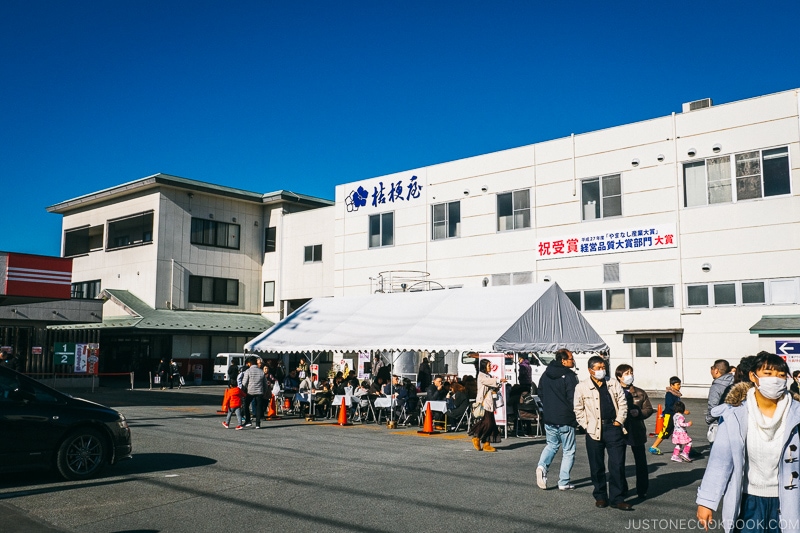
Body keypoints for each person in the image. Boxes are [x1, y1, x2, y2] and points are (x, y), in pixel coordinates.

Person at [696, 352, 800, 532]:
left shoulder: (796, 414)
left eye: (781, 375)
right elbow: (720, 461)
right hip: (748, 500)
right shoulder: (734, 414)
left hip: (789, 499)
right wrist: (706, 501)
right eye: (768, 374)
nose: (775, 380)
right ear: (753, 376)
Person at [573, 355, 631, 510]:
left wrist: (619, 420)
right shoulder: (582, 386)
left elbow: (623, 403)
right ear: (590, 370)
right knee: (596, 465)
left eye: (603, 367)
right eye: (598, 368)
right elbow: (578, 409)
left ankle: (617, 498)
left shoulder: (612, 383)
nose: (601, 371)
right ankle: (600, 496)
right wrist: (586, 425)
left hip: (614, 427)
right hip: (593, 430)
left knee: (617, 464)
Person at [536, 349, 579, 491]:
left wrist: (548, 405)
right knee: (568, 450)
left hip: (549, 417)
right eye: (571, 358)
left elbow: (540, 392)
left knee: (551, 445)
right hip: (566, 417)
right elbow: (574, 398)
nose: (573, 361)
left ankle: (542, 466)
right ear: (563, 360)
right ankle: (564, 481)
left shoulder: (546, 373)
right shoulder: (569, 376)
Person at [615, 363, 653, 499]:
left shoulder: (640, 392)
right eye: (626, 373)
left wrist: (639, 412)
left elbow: (648, 409)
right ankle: (622, 488)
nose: (630, 376)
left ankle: (642, 489)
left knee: (641, 461)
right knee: (619, 461)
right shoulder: (614, 391)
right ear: (619, 377)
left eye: (631, 372)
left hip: (637, 429)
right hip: (620, 429)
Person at [468, 358, 506, 452]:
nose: (490, 367)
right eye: (489, 365)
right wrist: (498, 380)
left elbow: (492, 385)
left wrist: (498, 385)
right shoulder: (481, 375)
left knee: (491, 423)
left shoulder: (488, 375)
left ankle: (486, 444)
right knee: (487, 422)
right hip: (484, 402)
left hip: (489, 402)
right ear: (484, 366)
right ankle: (476, 436)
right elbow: (487, 382)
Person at [650, 376, 684, 455]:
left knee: (681, 431)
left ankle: (688, 448)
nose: (679, 386)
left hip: (675, 416)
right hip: (669, 416)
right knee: (665, 431)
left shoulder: (676, 394)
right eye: (677, 384)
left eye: (680, 384)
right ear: (672, 385)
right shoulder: (669, 394)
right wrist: (680, 410)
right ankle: (654, 446)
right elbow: (669, 405)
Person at [706, 359, 733, 444]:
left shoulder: (716, 387)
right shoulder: (734, 382)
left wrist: (708, 419)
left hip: (719, 424)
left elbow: (713, 408)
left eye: (712, 368)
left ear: (716, 370)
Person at [242, 356, 267, 429]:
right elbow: (265, 383)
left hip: (250, 391)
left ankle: (248, 420)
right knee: (259, 407)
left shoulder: (248, 371)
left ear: (250, 363)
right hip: (259, 392)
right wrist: (264, 392)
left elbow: (244, 383)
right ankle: (258, 424)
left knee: (246, 405)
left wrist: (243, 391)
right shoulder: (261, 371)